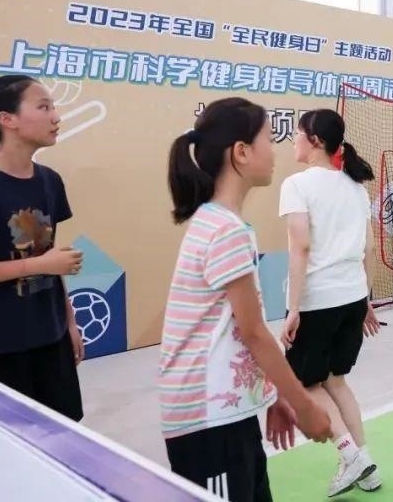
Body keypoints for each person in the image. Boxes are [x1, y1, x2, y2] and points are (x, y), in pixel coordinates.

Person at [159, 97, 332, 502]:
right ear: (241, 152)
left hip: (227, 415)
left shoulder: (222, 223)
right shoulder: (226, 230)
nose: (275, 151)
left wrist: (271, 396)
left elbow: (237, 332)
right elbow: (253, 333)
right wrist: (303, 404)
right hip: (207, 421)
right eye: (269, 139)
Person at [278, 109, 381, 496]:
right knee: (335, 380)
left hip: (317, 302)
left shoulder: (296, 185)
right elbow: (369, 249)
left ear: (316, 141)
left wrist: (293, 308)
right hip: (352, 298)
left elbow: (300, 247)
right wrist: (366, 300)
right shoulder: (356, 187)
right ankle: (367, 469)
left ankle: (350, 454)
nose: (293, 140)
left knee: (304, 383)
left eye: (297, 134)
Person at [0, 75, 85, 421]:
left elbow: (51, 259)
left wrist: (69, 323)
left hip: (50, 339)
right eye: (43, 107)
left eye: (53, 107)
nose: (56, 116)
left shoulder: (50, 181)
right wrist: (37, 266)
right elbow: (44, 263)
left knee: (61, 433)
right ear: (6, 119)